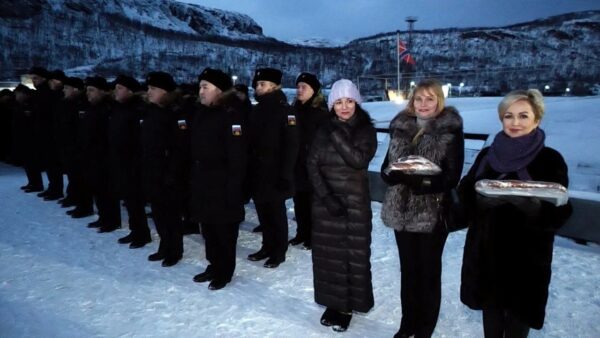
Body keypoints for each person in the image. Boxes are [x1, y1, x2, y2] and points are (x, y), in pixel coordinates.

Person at [459, 89, 572, 338]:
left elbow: (562, 210)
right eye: (508, 116)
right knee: (491, 320)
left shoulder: (549, 159)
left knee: (518, 326)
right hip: (488, 254)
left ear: (537, 119)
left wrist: (534, 210)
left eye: (523, 116)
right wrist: (477, 202)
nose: (515, 122)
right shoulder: (488, 155)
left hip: (526, 259)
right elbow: (465, 191)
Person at [380, 79, 464, 338]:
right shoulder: (400, 127)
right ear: (412, 101)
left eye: (430, 99)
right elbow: (386, 168)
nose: (424, 104)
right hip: (400, 210)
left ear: (439, 101)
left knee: (428, 272)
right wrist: (394, 174)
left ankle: (425, 328)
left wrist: (418, 180)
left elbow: (452, 177)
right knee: (408, 270)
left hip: (432, 213)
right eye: (419, 99)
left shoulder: (449, 130)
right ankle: (408, 324)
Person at [307, 79, 377, 332]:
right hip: (326, 204)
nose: (344, 107)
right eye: (338, 102)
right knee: (328, 258)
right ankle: (332, 302)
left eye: (349, 101)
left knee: (352, 258)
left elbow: (358, 160)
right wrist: (326, 197)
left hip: (353, 207)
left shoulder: (366, 130)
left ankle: (347, 306)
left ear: (356, 102)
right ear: (331, 105)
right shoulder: (321, 130)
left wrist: (335, 133)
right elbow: (311, 164)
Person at [189, 68, 247, 290]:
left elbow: (238, 157)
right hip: (204, 183)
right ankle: (213, 265)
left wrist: (234, 190)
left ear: (219, 90)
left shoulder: (231, 115)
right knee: (209, 229)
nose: (200, 91)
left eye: (206, 87)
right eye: (200, 86)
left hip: (223, 185)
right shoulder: (202, 112)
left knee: (224, 232)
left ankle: (224, 271)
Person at [246, 67, 299, 268]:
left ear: (274, 86)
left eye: (262, 84)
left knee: (276, 214)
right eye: (257, 84)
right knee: (263, 212)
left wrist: (285, 174)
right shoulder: (257, 110)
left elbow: (292, 145)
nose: (258, 88)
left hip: (276, 172)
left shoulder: (285, 110)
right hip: (258, 172)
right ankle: (267, 246)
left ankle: (279, 251)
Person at [140, 71, 186, 267]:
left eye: (154, 89)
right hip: (152, 170)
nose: (149, 92)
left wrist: (172, 172)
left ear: (165, 92)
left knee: (171, 214)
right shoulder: (151, 111)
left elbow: (181, 148)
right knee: (158, 212)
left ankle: (174, 250)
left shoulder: (176, 113)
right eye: (148, 88)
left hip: (169, 174)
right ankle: (164, 245)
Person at [109, 75, 152, 248]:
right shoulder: (119, 108)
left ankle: (142, 234)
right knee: (129, 200)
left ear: (130, 90)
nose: (115, 91)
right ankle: (136, 231)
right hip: (121, 161)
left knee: (135, 200)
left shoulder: (138, 110)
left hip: (134, 163)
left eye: (119, 88)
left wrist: (136, 163)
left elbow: (141, 140)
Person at [288, 72, 328, 250]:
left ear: (314, 91)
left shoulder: (320, 113)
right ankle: (301, 233)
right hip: (297, 165)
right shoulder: (294, 110)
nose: (299, 90)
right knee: (300, 202)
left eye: (304, 87)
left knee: (314, 204)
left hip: (314, 166)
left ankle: (314, 236)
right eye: (298, 86)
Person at [81, 76, 121, 233]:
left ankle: (111, 220)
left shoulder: (108, 109)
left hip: (105, 156)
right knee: (97, 188)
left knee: (107, 190)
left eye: (92, 90)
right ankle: (104, 217)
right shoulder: (92, 108)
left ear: (102, 91)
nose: (88, 94)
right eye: (87, 90)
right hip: (93, 156)